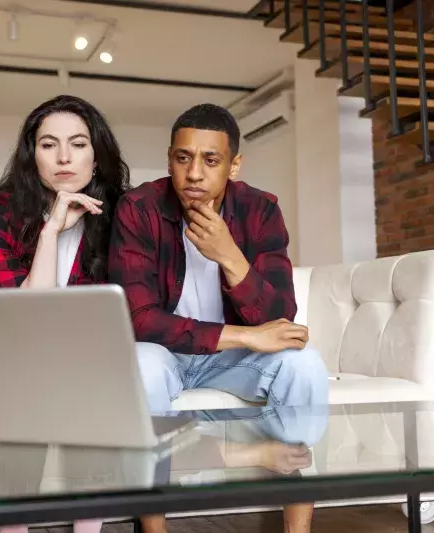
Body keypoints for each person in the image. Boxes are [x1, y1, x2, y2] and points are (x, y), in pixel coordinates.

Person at [108, 103, 329, 533]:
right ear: (169, 157)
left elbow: (280, 317)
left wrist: (230, 256)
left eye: (211, 160)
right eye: (182, 158)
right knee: (141, 365)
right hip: (166, 352)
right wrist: (243, 336)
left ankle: (298, 529)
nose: (194, 174)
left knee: (303, 364)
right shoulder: (139, 208)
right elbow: (138, 319)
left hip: (229, 364)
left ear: (234, 165)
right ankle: (155, 528)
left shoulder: (261, 210)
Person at [0, 94, 130, 533]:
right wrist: (51, 230)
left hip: (83, 359)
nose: (63, 157)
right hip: (12, 351)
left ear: (97, 156)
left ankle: (86, 528)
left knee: (90, 377)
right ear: (30, 155)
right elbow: (25, 316)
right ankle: (14, 526)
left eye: (77, 144)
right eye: (47, 144)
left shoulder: (118, 217)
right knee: (27, 378)